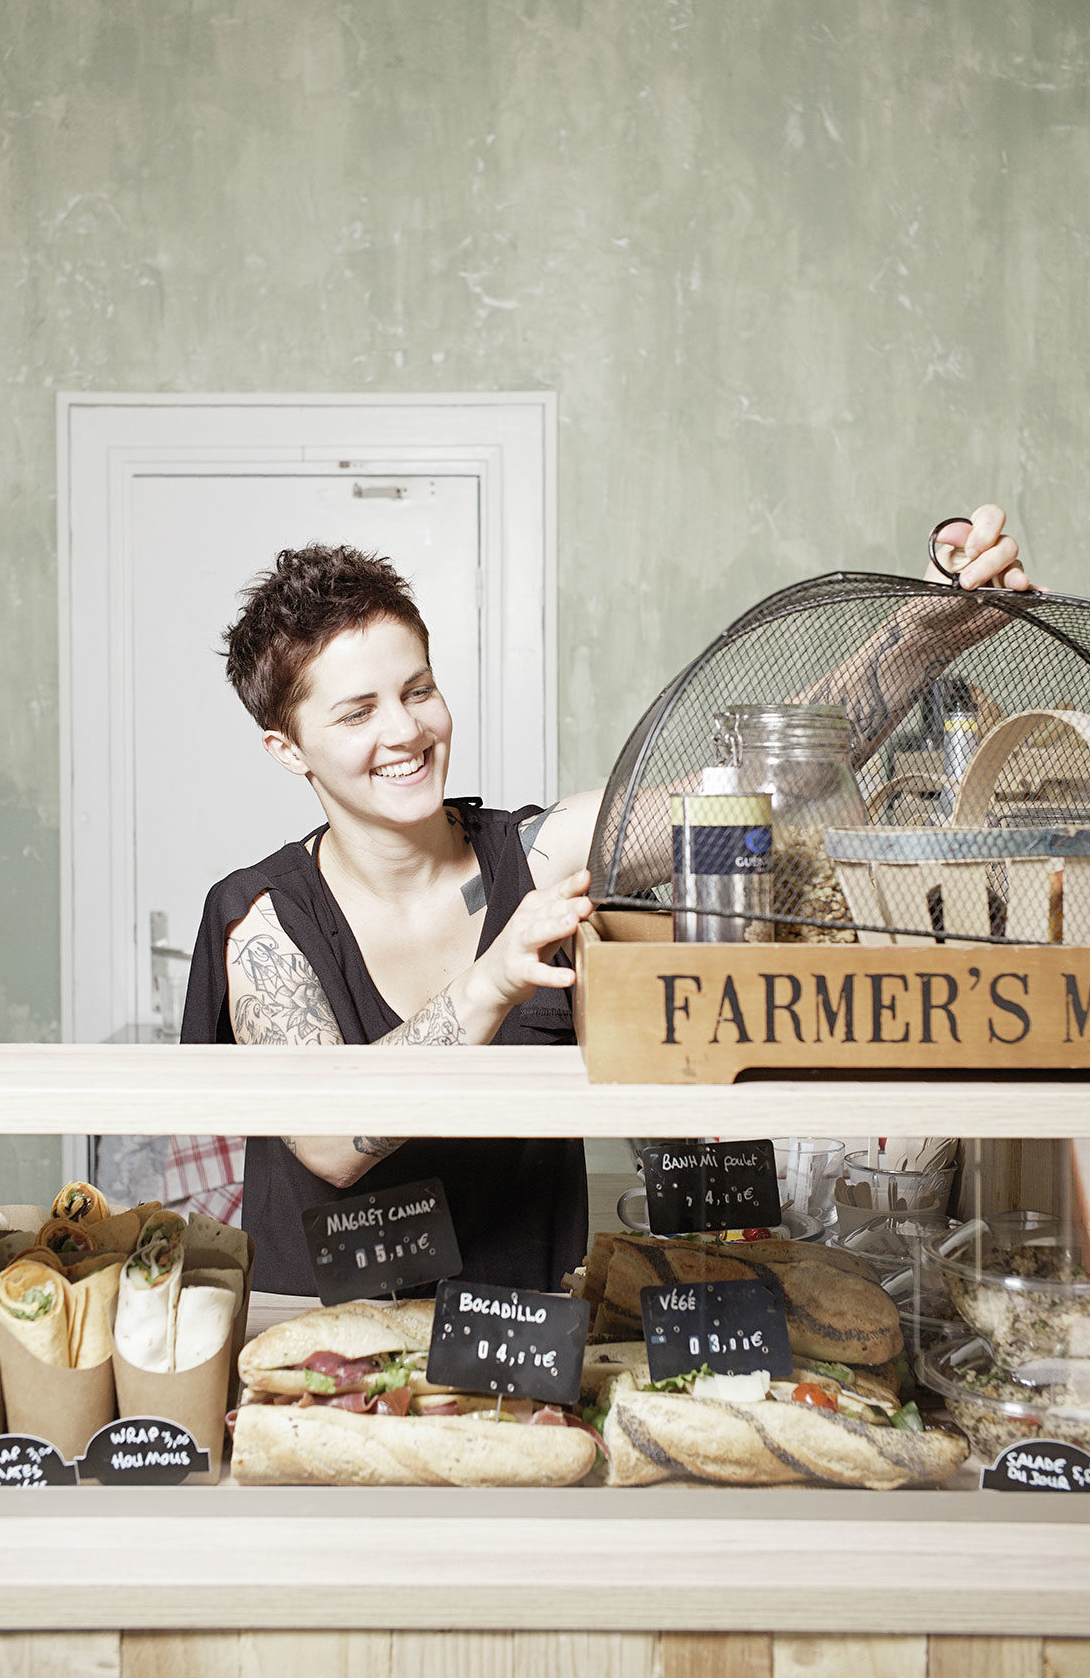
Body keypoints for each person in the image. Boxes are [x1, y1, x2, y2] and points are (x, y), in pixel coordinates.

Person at [175, 504, 1034, 1292]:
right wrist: (491, 981)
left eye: (418, 690)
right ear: (288, 749)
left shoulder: (539, 854)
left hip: (530, 1354)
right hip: (327, 1372)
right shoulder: (262, 922)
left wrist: (925, 631)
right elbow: (329, 1144)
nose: (404, 731)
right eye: (356, 712)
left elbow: (763, 780)